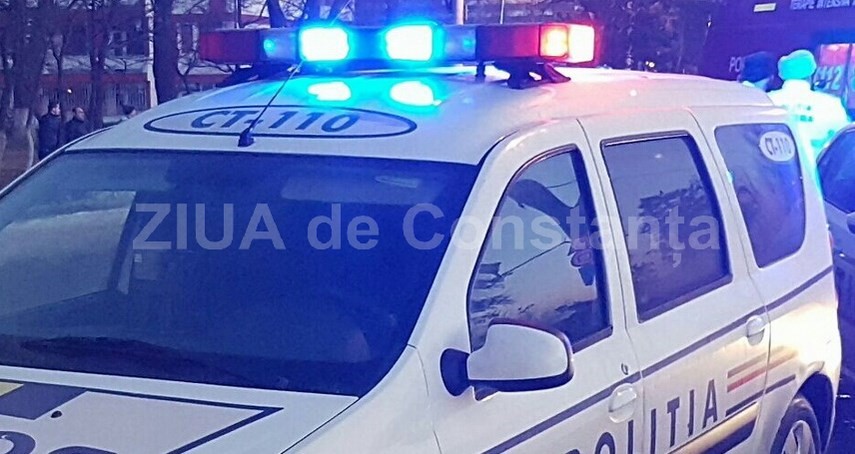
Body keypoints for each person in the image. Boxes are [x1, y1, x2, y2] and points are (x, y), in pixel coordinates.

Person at [768, 49, 851, 160]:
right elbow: (845, 144)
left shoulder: (766, 100)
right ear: (811, 73)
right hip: (816, 169)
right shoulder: (830, 105)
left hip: (771, 169)